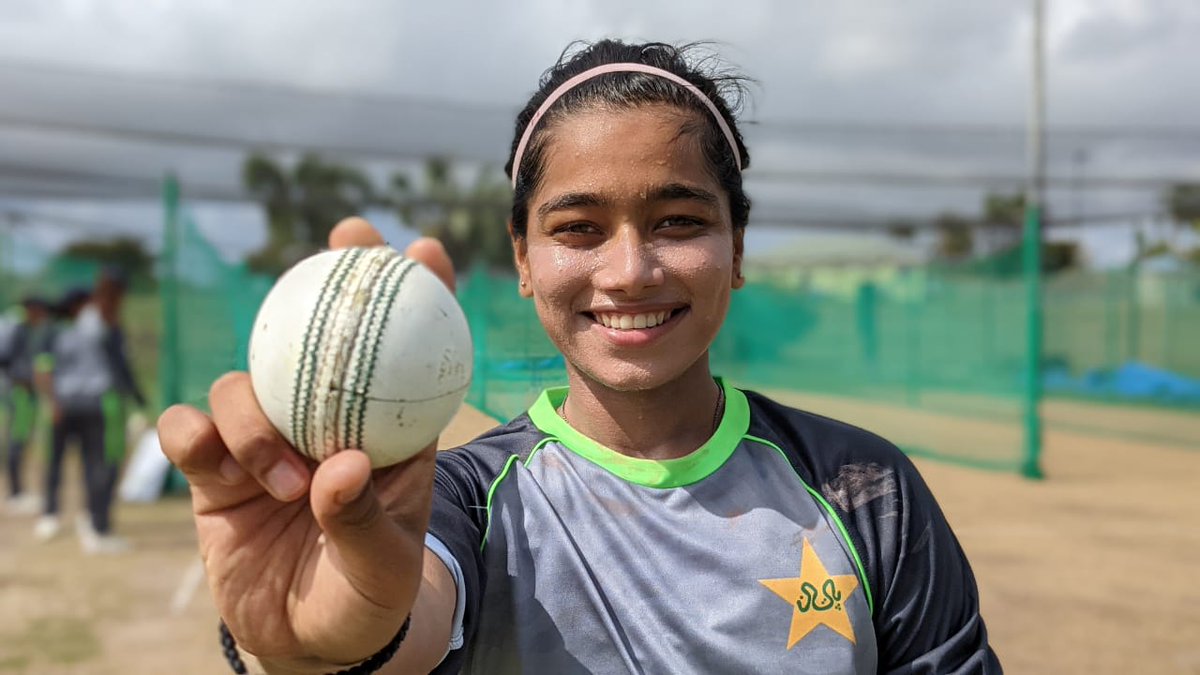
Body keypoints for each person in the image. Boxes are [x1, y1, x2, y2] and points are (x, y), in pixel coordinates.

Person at [159, 40, 1000, 674]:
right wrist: (332, 641)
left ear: (736, 246)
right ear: (523, 260)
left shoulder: (866, 489)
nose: (629, 270)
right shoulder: (458, 500)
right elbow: (405, 605)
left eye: (679, 220)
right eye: (577, 229)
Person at [37, 270, 146, 552]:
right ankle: (94, 526)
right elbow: (119, 367)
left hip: (82, 404)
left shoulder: (84, 326)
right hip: (94, 403)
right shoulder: (96, 323)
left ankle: (91, 520)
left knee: (93, 465)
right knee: (100, 464)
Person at [1, 296, 53, 514]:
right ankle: (16, 493)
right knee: (17, 439)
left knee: (21, 440)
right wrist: (22, 377)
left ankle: (18, 492)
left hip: (24, 391)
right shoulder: (16, 327)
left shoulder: (22, 328)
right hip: (20, 392)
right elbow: (5, 357)